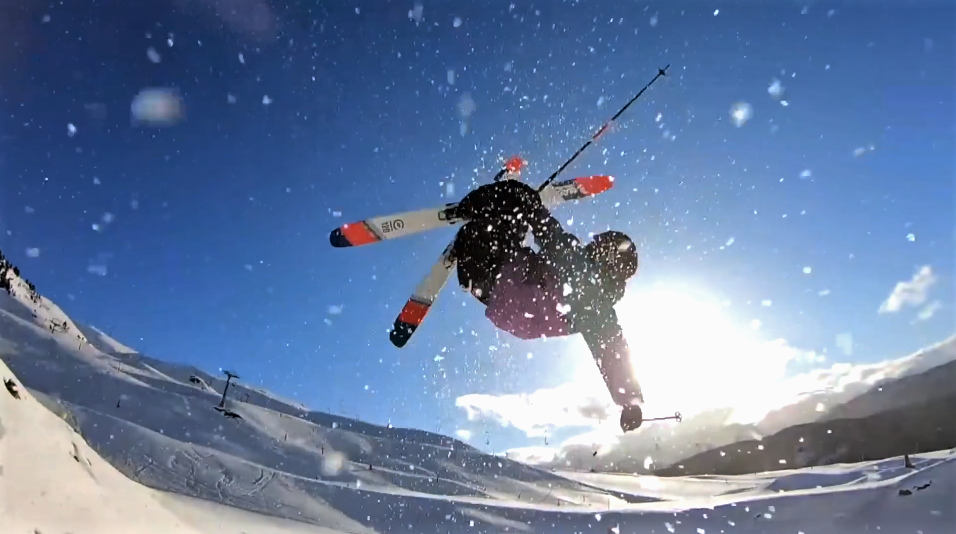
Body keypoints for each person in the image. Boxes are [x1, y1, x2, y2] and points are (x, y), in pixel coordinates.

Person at [451, 179, 645, 431]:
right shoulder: (601, 309)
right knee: (514, 231)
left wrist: (532, 208)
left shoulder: (581, 267)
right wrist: (630, 401)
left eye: (599, 244)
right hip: (504, 300)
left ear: (607, 255)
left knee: (512, 203)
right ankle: (477, 255)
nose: (592, 244)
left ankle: (480, 219)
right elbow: (613, 352)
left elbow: (552, 236)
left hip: (503, 280)